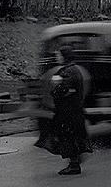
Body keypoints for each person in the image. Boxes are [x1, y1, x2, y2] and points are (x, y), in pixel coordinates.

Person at [35, 45, 92, 175]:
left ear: (64, 56)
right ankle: (75, 160)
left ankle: (74, 165)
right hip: (73, 110)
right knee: (71, 136)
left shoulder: (68, 72)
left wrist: (55, 88)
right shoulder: (74, 69)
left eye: (59, 55)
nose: (57, 57)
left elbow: (63, 90)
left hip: (67, 111)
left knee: (67, 136)